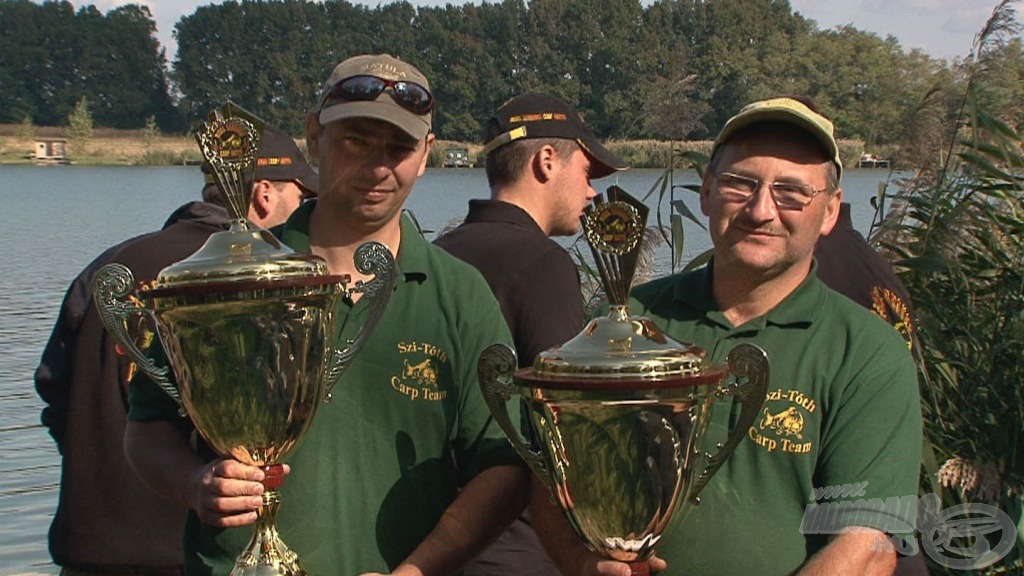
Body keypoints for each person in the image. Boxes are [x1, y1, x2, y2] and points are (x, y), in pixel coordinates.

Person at [123, 53, 528, 576]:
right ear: (315, 138)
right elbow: (146, 426)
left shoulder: (460, 295)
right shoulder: (231, 279)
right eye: (356, 140)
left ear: (426, 154)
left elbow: (502, 464)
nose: (379, 166)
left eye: (399, 147)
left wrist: (415, 572)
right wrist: (192, 483)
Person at [531, 96, 923, 576]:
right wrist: (579, 559)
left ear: (829, 212)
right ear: (707, 192)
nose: (761, 210)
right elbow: (555, 479)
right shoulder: (631, 316)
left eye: (792, 193)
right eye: (740, 184)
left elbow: (866, 547)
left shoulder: (865, 351)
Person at [34, 122, 317, 576]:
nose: (303, 213)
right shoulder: (263, 288)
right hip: (187, 553)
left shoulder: (110, 267)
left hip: (87, 548)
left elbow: (52, 391)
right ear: (265, 194)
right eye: (301, 198)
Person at [434, 93, 628, 576]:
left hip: (432, 534)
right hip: (514, 540)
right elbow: (566, 421)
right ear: (546, 162)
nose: (591, 194)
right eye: (586, 173)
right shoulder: (543, 264)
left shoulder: (436, 256)